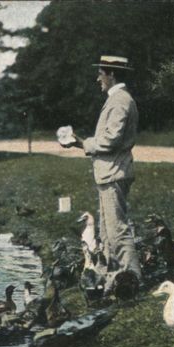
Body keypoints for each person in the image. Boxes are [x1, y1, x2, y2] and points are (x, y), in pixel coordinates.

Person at [67, 55, 142, 283]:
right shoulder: (117, 99)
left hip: (114, 172)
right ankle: (113, 275)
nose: (97, 78)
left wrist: (81, 143)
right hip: (110, 172)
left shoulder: (120, 101)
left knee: (117, 229)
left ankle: (132, 278)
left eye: (100, 73)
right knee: (107, 231)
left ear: (111, 74)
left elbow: (111, 139)